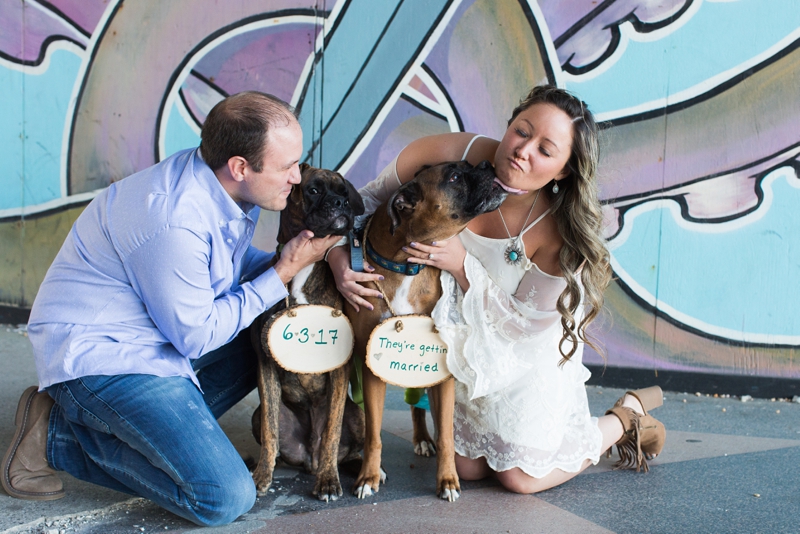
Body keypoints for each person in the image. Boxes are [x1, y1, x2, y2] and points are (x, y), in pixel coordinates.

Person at [2, 91, 342, 525]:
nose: (296, 177)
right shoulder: (174, 218)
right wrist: (282, 273)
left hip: (157, 335)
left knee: (274, 338)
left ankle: (169, 439)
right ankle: (53, 438)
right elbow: (196, 334)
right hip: (104, 359)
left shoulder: (221, 185)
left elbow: (222, 272)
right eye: (286, 166)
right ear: (240, 167)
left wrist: (311, 263)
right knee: (222, 496)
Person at [328, 85, 666, 494]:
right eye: (522, 131)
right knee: (466, 469)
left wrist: (461, 264)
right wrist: (336, 255)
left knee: (519, 478)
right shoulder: (453, 155)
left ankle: (624, 418)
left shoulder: (561, 233)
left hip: (525, 351)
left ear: (563, 170)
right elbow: (364, 202)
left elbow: (525, 330)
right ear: (509, 126)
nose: (523, 150)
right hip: (465, 343)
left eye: (546, 149)